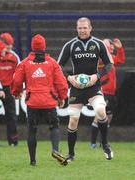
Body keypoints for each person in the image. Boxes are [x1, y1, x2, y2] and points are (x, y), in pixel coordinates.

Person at [58, 17, 114, 161]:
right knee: (73, 121)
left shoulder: (98, 44)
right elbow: (59, 66)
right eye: (80, 28)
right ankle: (71, 154)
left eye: (85, 28)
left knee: (101, 111)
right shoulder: (70, 45)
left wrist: (97, 76)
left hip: (94, 86)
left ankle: (106, 145)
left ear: (90, 28)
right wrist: (70, 78)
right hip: (77, 88)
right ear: (76, 28)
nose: (82, 30)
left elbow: (109, 64)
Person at [11, 34, 68, 166]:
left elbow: (17, 80)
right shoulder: (52, 63)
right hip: (49, 101)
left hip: (32, 102)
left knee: (32, 129)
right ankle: (55, 150)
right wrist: (62, 97)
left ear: (32, 47)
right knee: (54, 126)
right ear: (44, 46)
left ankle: (32, 161)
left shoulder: (24, 63)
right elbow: (61, 82)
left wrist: (16, 92)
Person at [90, 38, 125, 148]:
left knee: (108, 116)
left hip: (111, 92)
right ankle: (93, 142)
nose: (113, 48)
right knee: (100, 115)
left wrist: (120, 49)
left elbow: (121, 60)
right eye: (111, 46)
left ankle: (102, 141)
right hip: (102, 91)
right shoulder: (100, 58)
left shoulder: (111, 58)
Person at [0, 32, 20, 146]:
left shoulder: (14, 57)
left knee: (11, 115)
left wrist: (18, 88)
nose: (10, 47)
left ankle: (13, 141)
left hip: (8, 89)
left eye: (11, 44)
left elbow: (19, 72)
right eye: (7, 44)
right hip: (0, 88)